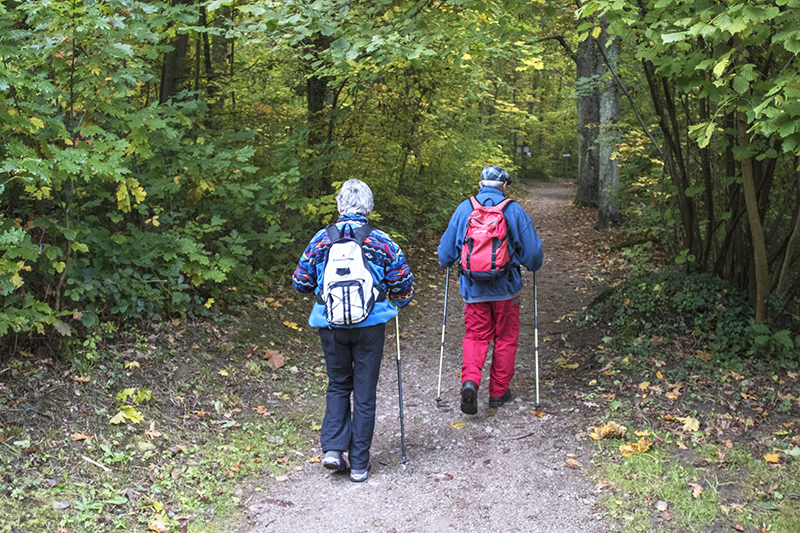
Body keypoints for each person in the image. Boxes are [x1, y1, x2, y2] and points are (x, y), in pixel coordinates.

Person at [292, 179, 415, 482]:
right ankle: (359, 463)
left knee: (337, 384)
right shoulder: (381, 241)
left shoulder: (322, 239)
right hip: (370, 326)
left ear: (339, 206)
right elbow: (403, 284)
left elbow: (301, 283)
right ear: (370, 208)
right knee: (364, 392)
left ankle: (333, 450)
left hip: (331, 326)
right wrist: (398, 302)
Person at [438, 165, 543, 415]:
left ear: (480, 184)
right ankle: (498, 393)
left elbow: (445, 254)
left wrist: (450, 261)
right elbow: (533, 255)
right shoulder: (513, 210)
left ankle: (471, 382)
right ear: (504, 185)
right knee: (505, 339)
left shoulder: (465, 209)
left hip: (474, 290)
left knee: (475, 336)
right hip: (506, 290)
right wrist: (530, 264)